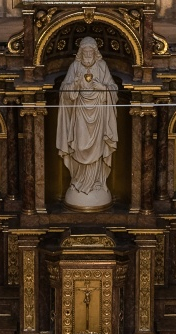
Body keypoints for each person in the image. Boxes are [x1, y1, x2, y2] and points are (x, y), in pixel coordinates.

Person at [54, 36, 120, 208]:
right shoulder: (75, 67)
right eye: (85, 52)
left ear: (95, 52)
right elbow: (64, 91)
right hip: (80, 115)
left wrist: (103, 88)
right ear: (81, 53)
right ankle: (78, 181)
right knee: (79, 146)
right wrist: (75, 85)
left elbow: (114, 89)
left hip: (99, 116)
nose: (88, 55)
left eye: (91, 52)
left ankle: (96, 182)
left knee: (97, 149)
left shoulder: (102, 66)